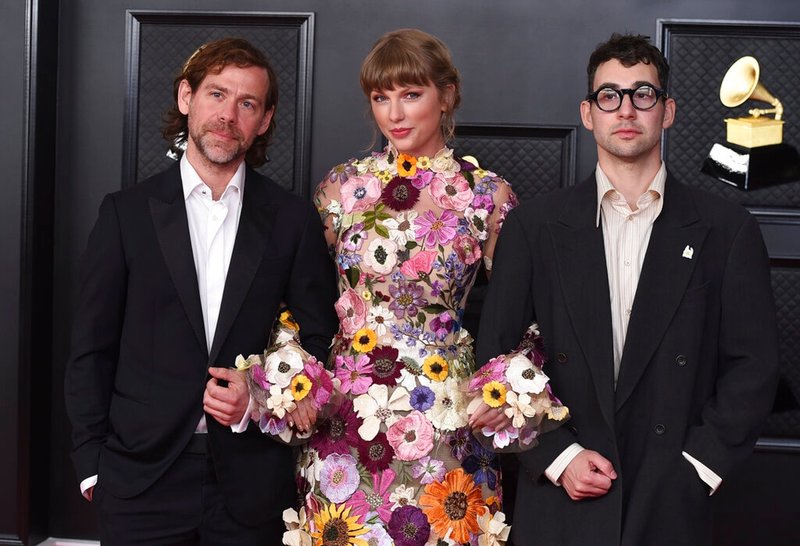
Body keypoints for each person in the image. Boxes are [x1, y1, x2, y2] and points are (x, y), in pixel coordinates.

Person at [476, 32, 779, 545]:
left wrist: (699, 467)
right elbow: (494, 355)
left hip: (669, 494)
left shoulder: (726, 229)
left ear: (668, 111)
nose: (626, 109)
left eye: (644, 94)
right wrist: (556, 456)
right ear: (588, 113)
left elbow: (754, 364)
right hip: (562, 497)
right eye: (609, 96)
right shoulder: (535, 226)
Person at [64, 37, 338, 544]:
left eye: (247, 103)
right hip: (138, 482)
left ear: (265, 119)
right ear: (186, 97)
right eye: (217, 94)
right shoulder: (125, 214)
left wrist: (258, 396)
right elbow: (90, 349)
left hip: (251, 484)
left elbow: (320, 339)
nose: (228, 114)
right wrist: (92, 467)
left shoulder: (291, 220)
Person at [287, 29, 520, 545]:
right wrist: (292, 366)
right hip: (347, 419)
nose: (395, 113)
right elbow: (289, 292)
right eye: (381, 97)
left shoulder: (486, 195)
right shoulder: (342, 187)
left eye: (411, 94)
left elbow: (532, 309)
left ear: (447, 95)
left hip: (448, 415)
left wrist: (511, 385)